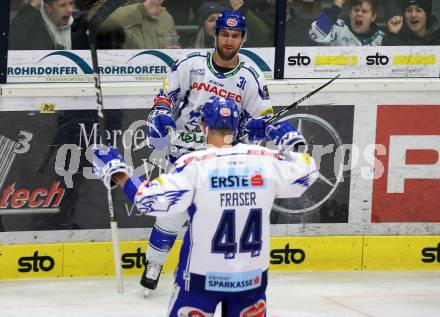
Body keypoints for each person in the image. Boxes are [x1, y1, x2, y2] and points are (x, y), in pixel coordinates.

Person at [92, 96, 317, 316]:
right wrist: (293, 144)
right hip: (251, 280)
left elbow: (147, 199)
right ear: (237, 128)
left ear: (203, 127)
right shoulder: (267, 160)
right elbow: (305, 173)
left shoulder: (195, 166)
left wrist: (117, 172)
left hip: (200, 280)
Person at [142, 10, 278, 293]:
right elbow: (164, 96)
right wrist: (160, 114)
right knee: (169, 215)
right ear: (215, 35)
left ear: (243, 39)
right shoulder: (190, 64)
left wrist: (257, 127)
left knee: (215, 220)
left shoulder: (250, 77)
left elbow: (266, 117)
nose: (229, 41)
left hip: (221, 159)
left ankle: (210, 273)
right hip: (183, 155)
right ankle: (154, 264)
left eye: (235, 36)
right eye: (225, 35)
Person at [97, 0, 181, 49]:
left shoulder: (164, 15)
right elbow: (96, 23)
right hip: (120, 75)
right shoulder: (107, 4)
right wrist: (141, 10)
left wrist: (174, 53)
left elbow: (174, 45)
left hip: (158, 75)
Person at [9, 0, 87, 50]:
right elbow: (13, 37)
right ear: (48, 8)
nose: (70, 10)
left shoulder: (79, 25)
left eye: (71, 4)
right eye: (63, 5)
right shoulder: (34, 29)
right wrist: (32, 5)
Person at [309, 0, 385, 46]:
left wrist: (392, 35)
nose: (359, 14)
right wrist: (336, 6)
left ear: (373, 17)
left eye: (364, 11)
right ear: (349, 13)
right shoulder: (337, 27)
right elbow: (315, 35)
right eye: (356, 10)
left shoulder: (381, 37)